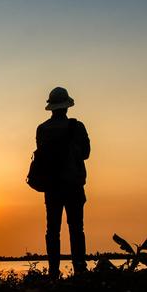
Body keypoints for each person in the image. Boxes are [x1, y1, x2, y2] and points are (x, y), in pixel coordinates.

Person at [36, 87, 90, 278]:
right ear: (67, 107)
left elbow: (42, 157)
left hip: (52, 187)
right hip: (74, 185)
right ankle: (80, 269)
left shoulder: (42, 130)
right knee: (76, 228)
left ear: (51, 107)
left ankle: (53, 272)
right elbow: (86, 154)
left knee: (52, 230)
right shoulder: (77, 127)